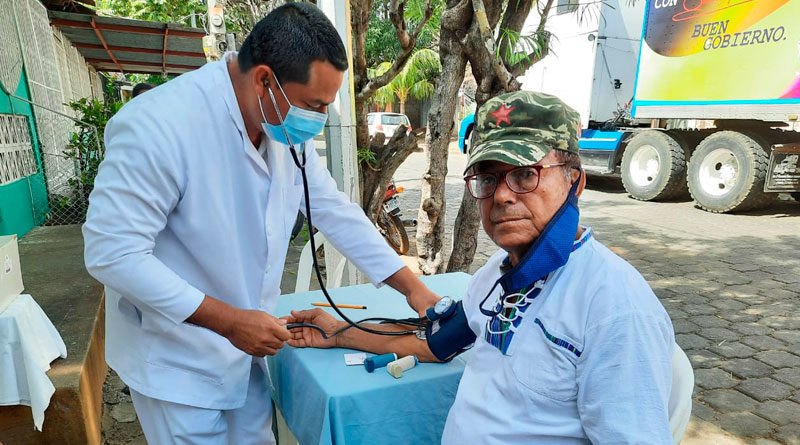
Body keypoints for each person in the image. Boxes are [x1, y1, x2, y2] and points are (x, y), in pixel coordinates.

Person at [82, 4, 439, 444]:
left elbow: (333, 210)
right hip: (178, 363)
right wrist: (230, 320)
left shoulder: (279, 127)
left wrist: (414, 288)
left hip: (246, 350)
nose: (320, 117)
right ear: (265, 79)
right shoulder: (158, 127)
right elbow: (113, 254)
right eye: (314, 105)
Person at [287, 91, 676, 444]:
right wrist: (339, 333)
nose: (503, 195)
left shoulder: (615, 309)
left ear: (575, 182)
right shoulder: (495, 275)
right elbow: (434, 345)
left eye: (525, 173)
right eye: (488, 178)